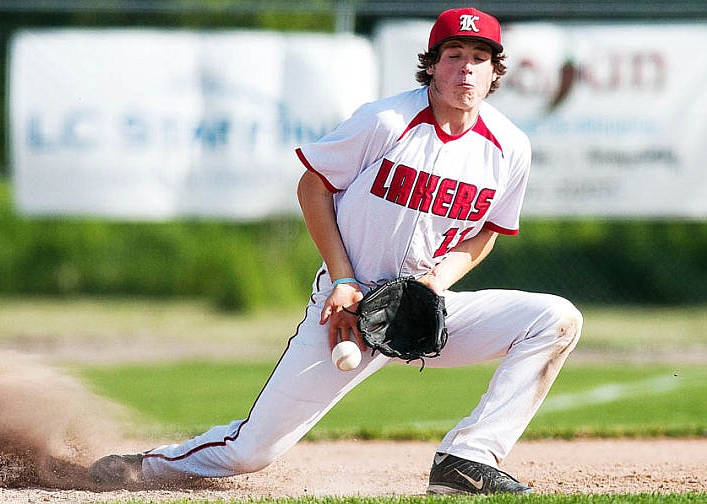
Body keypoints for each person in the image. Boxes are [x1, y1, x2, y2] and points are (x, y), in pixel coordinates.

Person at [89, 7, 582, 495]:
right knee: (250, 453)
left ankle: (467, 460)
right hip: (347, 309)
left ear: (496, 70)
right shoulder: (386, 121)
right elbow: (313, 188)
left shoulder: (509, 147)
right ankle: (141, 468)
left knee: (554, 318)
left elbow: (486, 234)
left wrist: (433, 287)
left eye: (480, 56)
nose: (466, 68)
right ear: (431, 64)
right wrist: (343, 280)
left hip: (423, 308)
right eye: (453, 54)